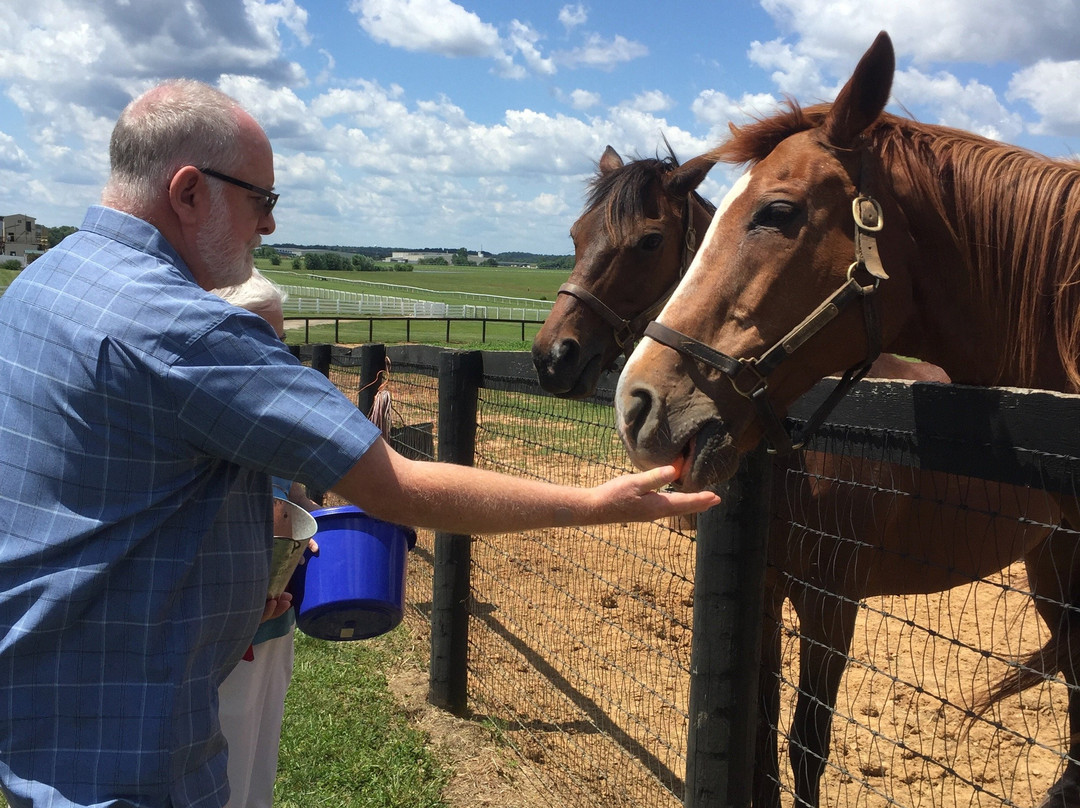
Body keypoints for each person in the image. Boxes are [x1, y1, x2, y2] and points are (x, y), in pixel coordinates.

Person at [0, 79, 719, 808]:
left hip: (43, 716)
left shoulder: (41, 285)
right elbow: (395, 487)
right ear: (189, 192)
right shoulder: (183, 331)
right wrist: (595, 504)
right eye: (262, 201)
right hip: (135, 755)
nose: (268, 228)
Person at [212, 270, 317, 808]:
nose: (276, 353)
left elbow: (293, 487)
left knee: (258, 754)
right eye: (261, 337)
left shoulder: (278, 413)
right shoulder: (200, 412)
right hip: (218, 625)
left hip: (276, 611)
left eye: (280, 340)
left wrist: (313, 519)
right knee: (220, 754)